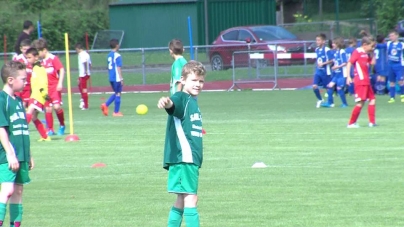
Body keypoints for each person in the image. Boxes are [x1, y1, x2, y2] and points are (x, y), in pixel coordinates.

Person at [157, 60, 206, 227]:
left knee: (181, 198)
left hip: (187, 160)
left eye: (201, 81)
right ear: (183, 80)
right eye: (194, 80)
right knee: (191, 197)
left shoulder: (192, 101)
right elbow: (173, 104)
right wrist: (167, 102)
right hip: (184, 158)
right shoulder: (182, 98)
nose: (198, 84)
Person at [0, 61, 33, 227]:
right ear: (11, 80)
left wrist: (29, 154)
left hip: (22, 154)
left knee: (18, 191)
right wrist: (10, 153)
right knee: (7, 190)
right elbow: (1, 128)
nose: (26, 82)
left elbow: (23, 130)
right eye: (23, 79)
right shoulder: (2, 99)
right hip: (8, 155)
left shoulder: (19, 101)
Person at [32, 38, 65, 136]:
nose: (37, 55)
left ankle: (62, 125)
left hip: (54, 87)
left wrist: (60, 83)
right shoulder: (40, 62)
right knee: (48, 109)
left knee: (57, 107)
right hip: (45, 89)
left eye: (38, 52)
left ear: (44, 50)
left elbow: (62, 70)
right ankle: (50, 129)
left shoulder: (53, 59)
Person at [346, 35, 376, 128]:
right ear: (364, 45)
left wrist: (373, 53)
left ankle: (372, 122)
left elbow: (372, 63)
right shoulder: (357, 52)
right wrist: (348, 77)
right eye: (371, 46)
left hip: (366, 81)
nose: (372, 48)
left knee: (372, 100)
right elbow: (349, 63)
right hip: (360, 81)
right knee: (360, 102)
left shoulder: (367, 53)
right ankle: (351, 123)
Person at [24, 47, 51, 142]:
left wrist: (44, 93)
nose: (27, 59)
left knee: (29, 111)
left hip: (39, 95)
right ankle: (45, 136)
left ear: (36, 57)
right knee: (34, 117)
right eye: (26, 57)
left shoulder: (39, 68)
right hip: (34, 95)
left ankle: (20, 131)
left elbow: (43, 82)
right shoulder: (34, 68)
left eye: (29, 57)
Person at [322, 37, 348, 107]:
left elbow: (345, 62)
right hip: (337, 74)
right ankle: (330, 103)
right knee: (329, 86)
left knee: (339, 89)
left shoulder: (342, 51)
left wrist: (337, 67)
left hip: (342, 75)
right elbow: (336, 61)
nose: (332, 44)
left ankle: (344, 104)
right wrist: (333, 66)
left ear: (337, 44)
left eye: (334, 43)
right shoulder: (336, 52)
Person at [101, 39, 123, 117]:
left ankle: (105, 105)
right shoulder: (117, 55)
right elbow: (118, 67)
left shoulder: (109, 55)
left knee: (116, 93)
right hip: (116, 78)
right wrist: (121, 78)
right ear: (117, 45)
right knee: (118, 94)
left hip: (111, 77)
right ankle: (116, 112)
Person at [312, 34, 333, 108]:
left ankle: (330, 102)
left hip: (325, 72)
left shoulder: (327, 50)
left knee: (328, 87)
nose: (317, 42)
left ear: (323, 41)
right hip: (318, 72)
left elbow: (331, 60)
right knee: (314, 86)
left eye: (319, 40)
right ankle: (320, 99)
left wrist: (323, 63)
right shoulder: (316, 49)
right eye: (316, 40)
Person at [383, 31, 404, 103]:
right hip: (390, 65)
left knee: (401, 81)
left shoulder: (401, 44)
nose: (391, 37)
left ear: (397, 36)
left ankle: (402, 96)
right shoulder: (388, 44)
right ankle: (392, 97)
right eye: (390, 36)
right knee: (391, 82)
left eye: (392, 36)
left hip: (399, 65)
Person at [13, 39, 33, 108]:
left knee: (24, 106)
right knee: (17, 105)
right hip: (18, 86)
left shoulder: (32, 60)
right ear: (21, 49)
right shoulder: (17, 59)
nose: (26, 51)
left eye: (28, 49)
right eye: (24, 49)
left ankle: (23, 118)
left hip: (28, 87)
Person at [75, 43, 91, 110]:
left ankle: (85, 105)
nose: (76, 51)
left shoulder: (82, 55)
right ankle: (83, 99)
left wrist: (86, 71)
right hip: (83, 74)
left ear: (78, 49)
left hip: (83, 75)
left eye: (76, 49)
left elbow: (85, 63)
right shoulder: (86, 54)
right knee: (79, 84)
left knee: (84, 89)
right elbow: (90, 64)